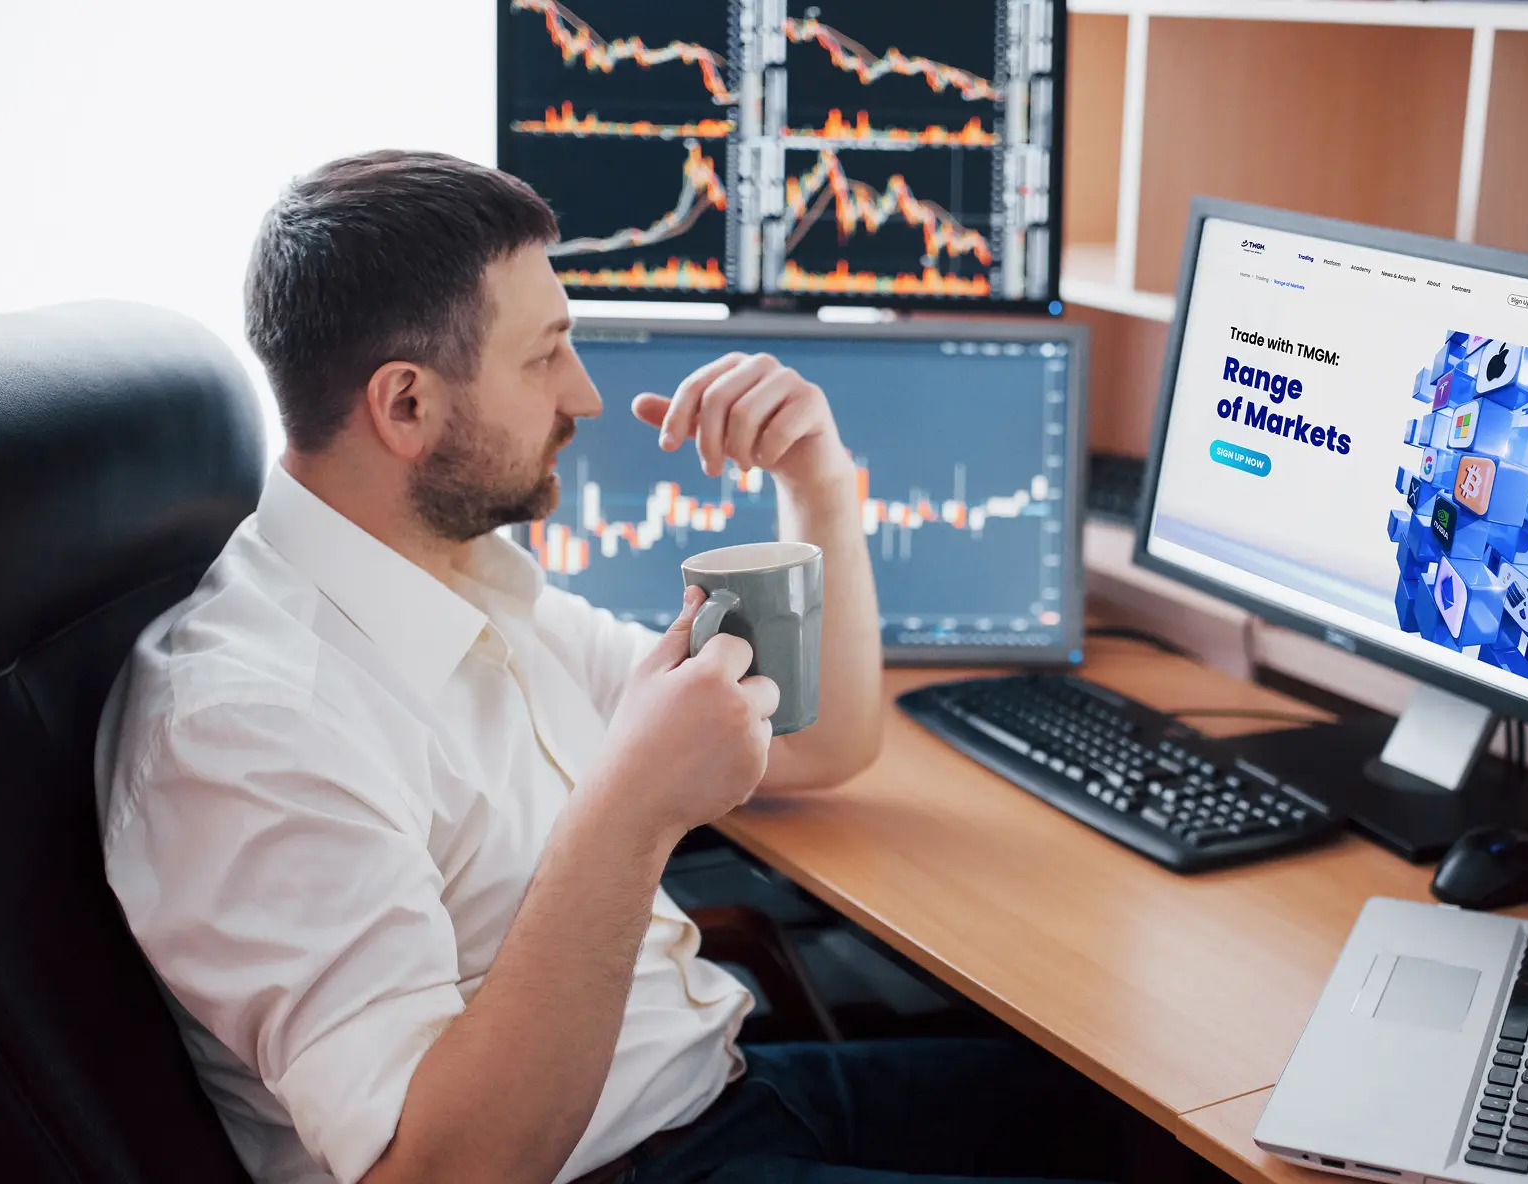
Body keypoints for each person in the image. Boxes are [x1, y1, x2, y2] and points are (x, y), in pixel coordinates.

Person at [96, 150, 1123, 1184]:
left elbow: (812, 741)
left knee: (1142, 1133)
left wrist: (816, 479)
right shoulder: (252, 724)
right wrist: (631, 808)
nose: (581, 393)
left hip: (714, 1094)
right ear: (405, 404)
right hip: (609, 1166)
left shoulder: (460, 577)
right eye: (545, 355)